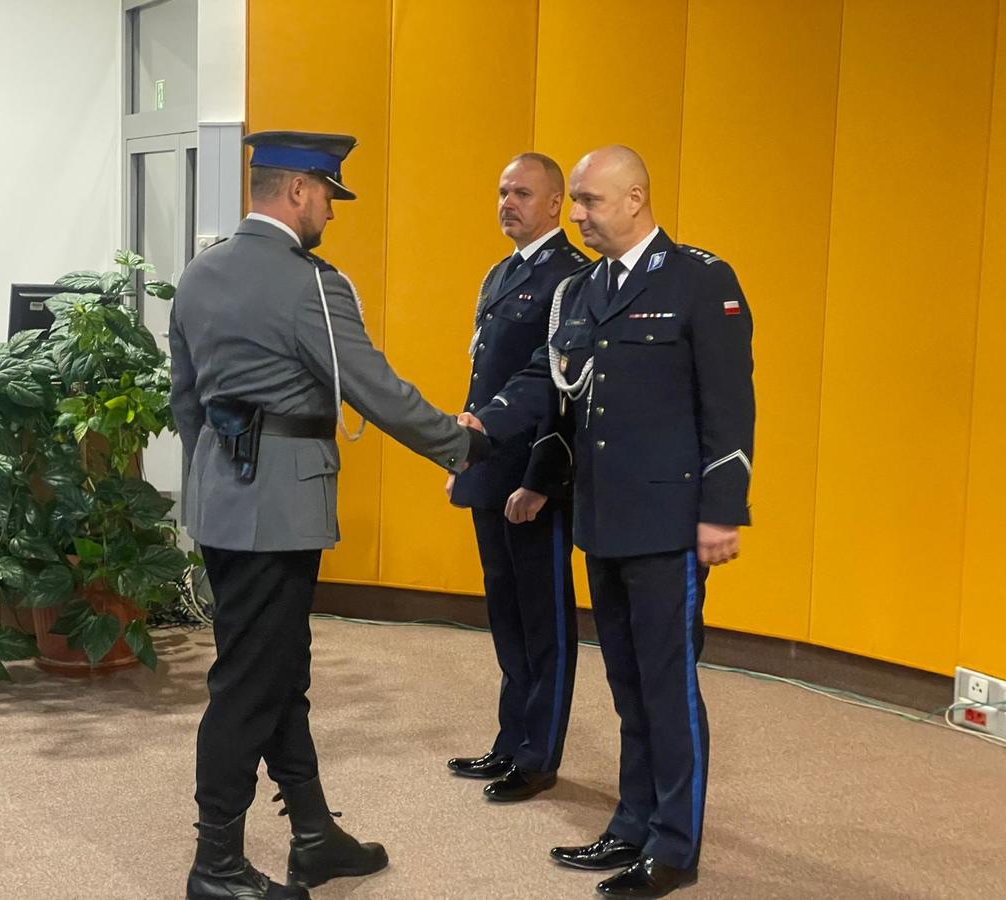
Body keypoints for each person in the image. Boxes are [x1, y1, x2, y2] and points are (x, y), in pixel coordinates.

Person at [169, 130, 489, 900]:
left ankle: (313, 836)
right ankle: (215, 867)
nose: (331, 214)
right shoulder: (311, 285)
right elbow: (375, 390)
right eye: (328, 197)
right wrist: (461, 444)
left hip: (221, 499)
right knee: (249, 684)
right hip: (281, 508)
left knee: (278, 669)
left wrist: (211, 483)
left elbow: (185, 401)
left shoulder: (199, 273)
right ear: (299, 192)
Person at [465, 145, 755, 898]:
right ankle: (631, 824)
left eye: (590, 201)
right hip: (602, 516)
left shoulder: (699, 280)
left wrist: (722, 513)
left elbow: (729, 407)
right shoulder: (584, 289)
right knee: (627, 683)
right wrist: (484, 424)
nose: (580, 216)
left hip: (668, 522)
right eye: (577, 202)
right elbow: (550, 386)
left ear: (635, 198)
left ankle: (674, 847)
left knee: (667, 686)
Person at [445, 153, 585, 802]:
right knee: (505, 611)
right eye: (503, 192)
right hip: (490, 469)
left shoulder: (571, 278)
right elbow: (482, 379)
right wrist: (464, 461)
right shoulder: (501, 273)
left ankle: (537, 755)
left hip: (533, 478)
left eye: (522, 193)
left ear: (555, 203)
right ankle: (510, 739)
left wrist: (538, 480)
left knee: (542, 618)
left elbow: (560, 395)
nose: (508, 203)